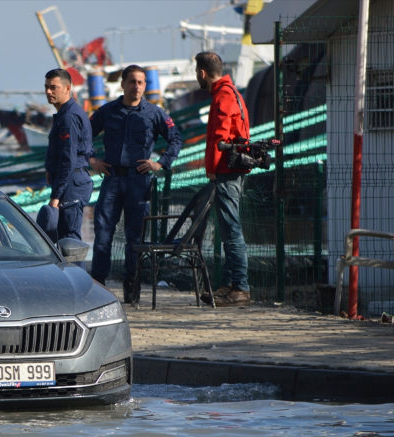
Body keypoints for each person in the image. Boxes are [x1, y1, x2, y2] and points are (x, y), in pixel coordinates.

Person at [88, 65, 182, 302]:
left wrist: (160, 163)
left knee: (136, 238)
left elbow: (175, 139)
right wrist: (91, 160)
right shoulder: (107, 111)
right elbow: (83, 135)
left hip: (139, 181)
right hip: (111, 179)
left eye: (141, 82)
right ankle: (97, 290)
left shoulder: (154, 113)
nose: (137, 86)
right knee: (102, 235)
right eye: (132, 82)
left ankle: (132, 289)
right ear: (123, 84)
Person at [194, 52, 252, 307]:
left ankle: (240, 287)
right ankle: (230, 286)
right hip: (231, 170)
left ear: (202, 73)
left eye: (197, 72)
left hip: (226, 172)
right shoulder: (231, 92)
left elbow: (219, 137)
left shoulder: (223, 95)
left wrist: (211, 168)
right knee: (228, 229)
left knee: (231, 230)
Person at [43, 68, 94, 242]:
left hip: (71, 184)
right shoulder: (66, 113)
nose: (49, 92)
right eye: (47, 87)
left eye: (54, 87)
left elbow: (68, 159)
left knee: (69, 243)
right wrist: (51, 171)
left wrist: (55, 197)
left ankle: (76, 270)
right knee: (64, 241)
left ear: (67, 88)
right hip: (70, 181)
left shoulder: (69, 117)